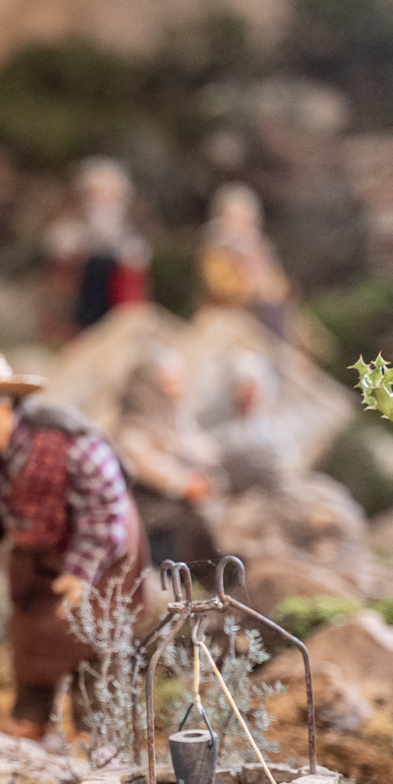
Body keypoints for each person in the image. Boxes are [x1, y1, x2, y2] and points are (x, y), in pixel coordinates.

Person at [0, 349, 146, 739]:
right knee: (30, 630)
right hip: (39, 551)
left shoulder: (74, 446)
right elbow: (2, 505)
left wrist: (80, 572)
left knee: (92, 636)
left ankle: (96, 728)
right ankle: (31, 716)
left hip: (103, 549)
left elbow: (106, 512)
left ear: (6, 405)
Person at [114, 348, 223, 568]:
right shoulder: (132, 430)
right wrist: (185, 483)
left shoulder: (174, 419)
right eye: (170, 383)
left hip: (184, 519)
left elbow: (204, 451)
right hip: (157, 526)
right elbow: (150, 466)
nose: (177, 389)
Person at [43, 157, 150, 335]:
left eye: (113, 195)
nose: (105, 202)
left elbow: (137, 262)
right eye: (99, 194)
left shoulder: (129, 237)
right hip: (78, 313)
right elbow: (60, 253)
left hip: (116, 312)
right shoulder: (69, 230)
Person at [198, 183, 291, 338]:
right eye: (236, 218)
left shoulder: (261, 248)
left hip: (266, 315)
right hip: (229, 317)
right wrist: (253, 288)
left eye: (247, 219)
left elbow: (280, 285)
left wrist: (270, 286)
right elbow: (220, 288)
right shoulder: (216, 250)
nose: (242, 225)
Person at [211, 353, 291, 495]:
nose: (250, 395)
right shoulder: (219, 425)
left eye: (254, 389)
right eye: (245, 389)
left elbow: (284, 468)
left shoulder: (274, 431)